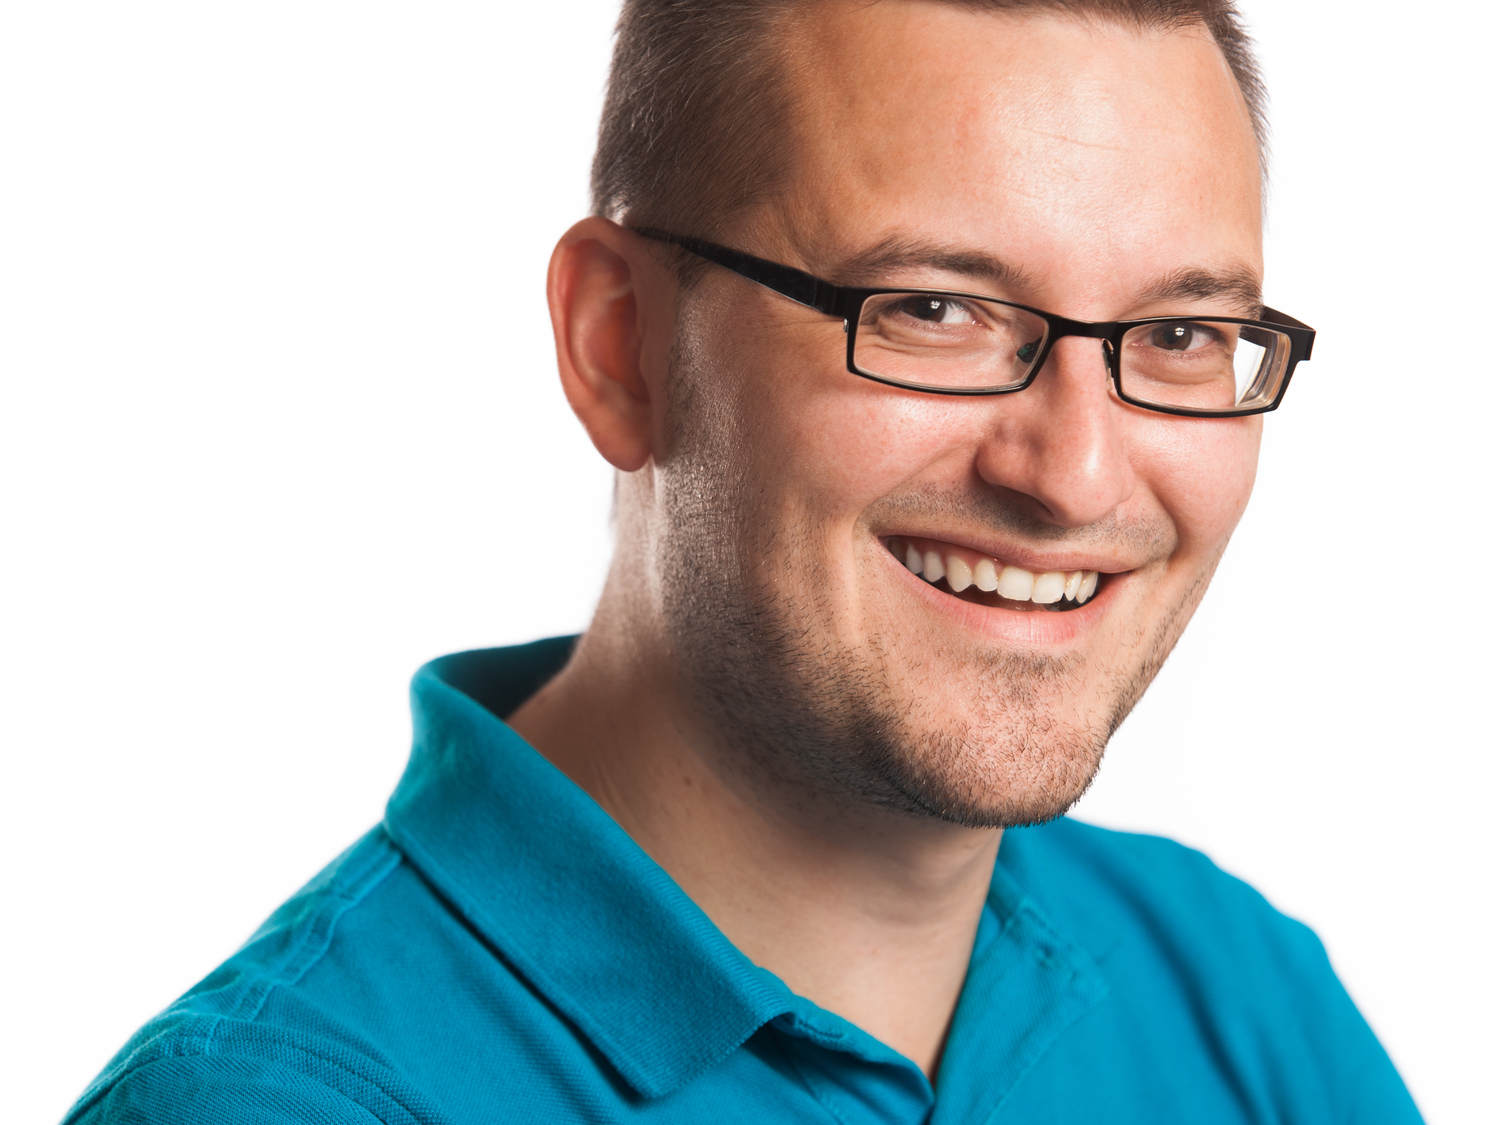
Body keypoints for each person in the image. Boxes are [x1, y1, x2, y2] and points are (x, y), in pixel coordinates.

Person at [65, 0, 1422, 1121]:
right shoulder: (280, 1102)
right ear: (620, 345)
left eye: (1181, 336)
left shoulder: (1236, 993)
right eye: (934, 309)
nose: (1073, 477)